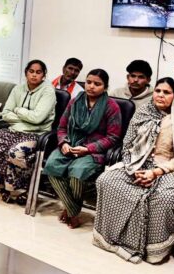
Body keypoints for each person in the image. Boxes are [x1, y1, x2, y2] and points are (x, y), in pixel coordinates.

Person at [94, 78, 174, 263]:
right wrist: (133, 167)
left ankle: (153, 250)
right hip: (137, 163)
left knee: (165, 197)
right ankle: (111, 239)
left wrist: (156, 172)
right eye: (158, 91)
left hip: (168, 169)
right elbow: (128, 144)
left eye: (166, 92)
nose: (160, 95)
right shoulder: (143, 111)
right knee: (106, 180)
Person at [44, 69, 122, 229]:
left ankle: (69, 210)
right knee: (51, 166)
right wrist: (64, 143)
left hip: (93, 151)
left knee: (77, 172)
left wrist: (87, 149)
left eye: (97, 84)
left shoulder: (111, 106)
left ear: (105, 87)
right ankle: (73, 210)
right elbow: (62, 127)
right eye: (89, 82)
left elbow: (113, 137)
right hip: (70, 144)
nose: (91, 86)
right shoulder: (75, 101)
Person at [0, 59, 56, 204]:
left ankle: (19, 189)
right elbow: (6, 113)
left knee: (15, 152)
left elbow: (37, 118)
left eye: (38, 72)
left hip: (36, 133)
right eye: (31, 71)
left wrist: (17, 110)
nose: (34, 75)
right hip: (14, 129)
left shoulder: (48, 91)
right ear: (26, 73)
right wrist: (24, 118)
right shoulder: (18, 89)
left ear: (43, 75)